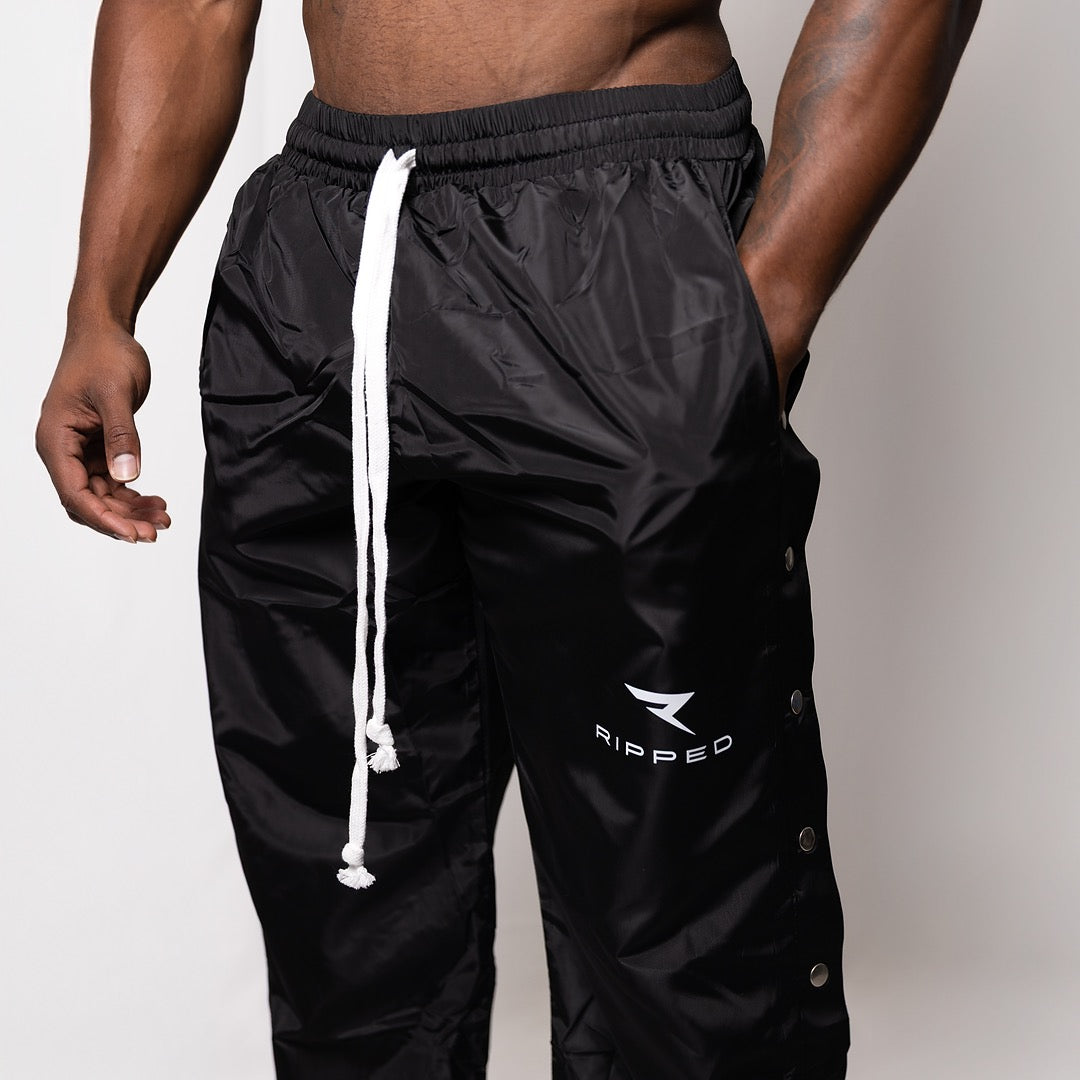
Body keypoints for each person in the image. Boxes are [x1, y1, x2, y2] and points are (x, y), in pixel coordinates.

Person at [35, 1, 981, 1076]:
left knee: (684, 948)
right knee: (346, 926)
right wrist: (100, 305)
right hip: (323, 271)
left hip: (619, 236)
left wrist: (766, 308)